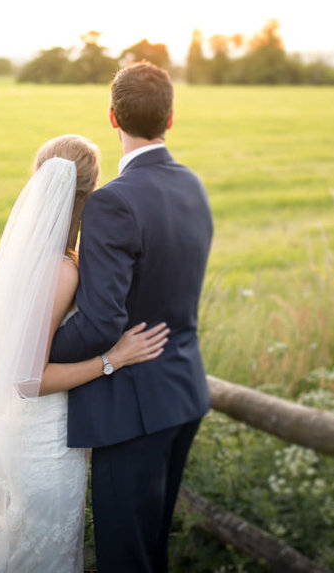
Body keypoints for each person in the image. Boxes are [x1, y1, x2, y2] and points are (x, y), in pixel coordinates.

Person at [0, 133, 171, 573]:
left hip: (23, 433)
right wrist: (113, 359)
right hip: (44, 440)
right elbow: (28, 379)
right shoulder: (61, 270)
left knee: (30, 549)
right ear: (89, 192)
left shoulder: (29, 258)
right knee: (43, 555)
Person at [48, 61, 214, 572]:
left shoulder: (112, 203)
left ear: (112, 117)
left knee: (125, 557)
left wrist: (35, 347)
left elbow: (101, 323)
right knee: (153, 549)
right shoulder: (194, 185)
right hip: (185, 393)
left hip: (133, 410)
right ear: (170, 117)